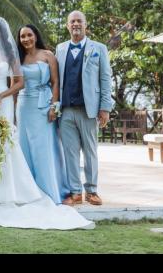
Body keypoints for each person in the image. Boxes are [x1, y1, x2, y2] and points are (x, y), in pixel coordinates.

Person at [0, 17, 93, 229]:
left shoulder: (22, 55)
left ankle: (48, 189)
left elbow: (44, 82)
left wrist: (52, 106)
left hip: (28, 103)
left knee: (34, 147)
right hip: (1, 102)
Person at [55, 11, 113, 206]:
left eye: (79, 21)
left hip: (89, 109)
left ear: (86, 25)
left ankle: (92, 190)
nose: (76, 24)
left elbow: (105, 79)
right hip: (66, 110)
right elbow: (56, 80)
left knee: (90, 151)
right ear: (67, 25)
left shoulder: (99, 48)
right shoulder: (60, 49)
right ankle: (75, 192)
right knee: (70, 152)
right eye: (72, 21)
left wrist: (105, 108)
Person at [15, 24, 70, 204]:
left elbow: (55, 83)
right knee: (24, 148)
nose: (26, 39)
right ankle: (27, 192)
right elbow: (15, 86)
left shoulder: (48, 55)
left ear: (35, 36)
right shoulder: (17, 59)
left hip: (44, 106)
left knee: (44, 148)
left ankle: (49, 190)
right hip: (24, 107)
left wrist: (55, 106)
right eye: (22, 36)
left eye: (29, 35)